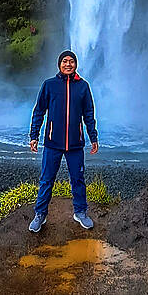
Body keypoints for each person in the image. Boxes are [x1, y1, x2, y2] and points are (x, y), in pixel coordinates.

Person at [28, 49, 98, 233]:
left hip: (75, 144)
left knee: (78, 179)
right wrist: (34, 135)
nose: (68, 64)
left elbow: (89, 114)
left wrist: (93, 137)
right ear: (59, 64)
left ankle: (80, 212)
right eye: (65, 61)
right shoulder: (49, 85)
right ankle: (40, 214)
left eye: (72, 61)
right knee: (46, 180)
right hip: (52, 143)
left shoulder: (83, 86)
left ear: (76, 64)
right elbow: (39, 111)